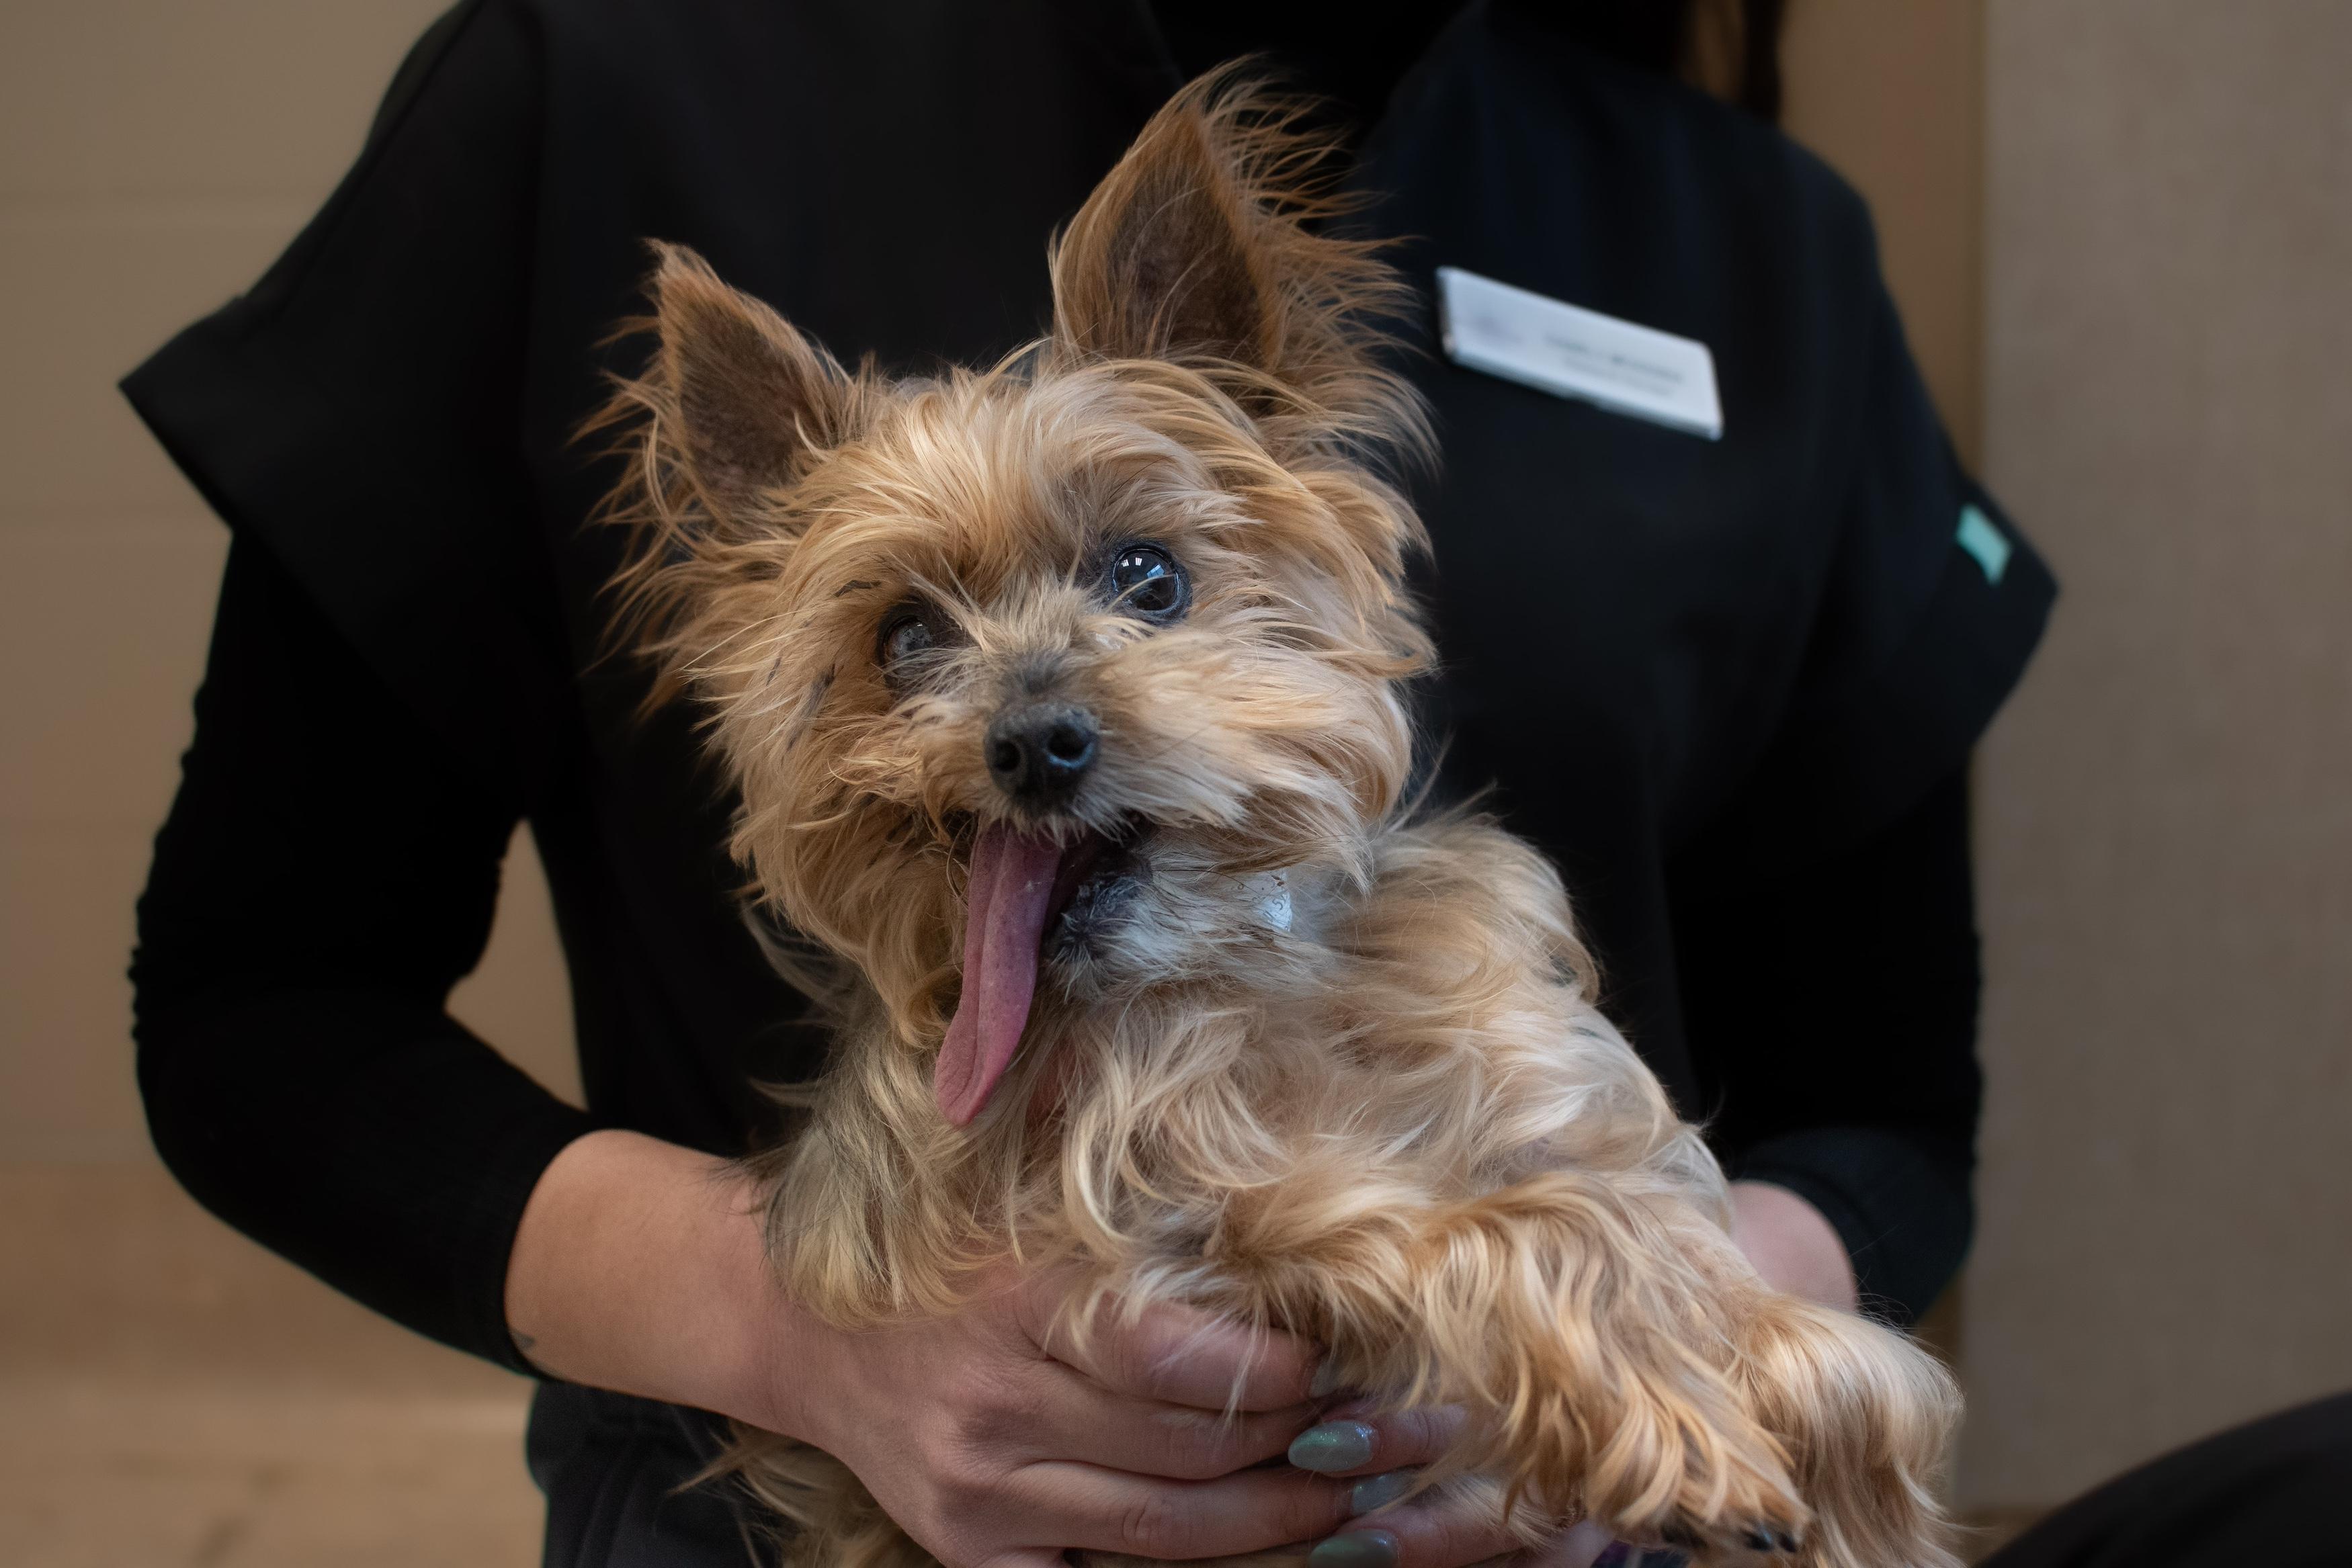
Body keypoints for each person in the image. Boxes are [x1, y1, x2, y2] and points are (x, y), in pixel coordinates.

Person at [122, 3, 2057, 1565]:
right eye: (911, 637)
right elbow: (256, 1012)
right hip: (808, 1501)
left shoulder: (1751, 234)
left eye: (1141, 579)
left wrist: (1627, 1340)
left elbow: (1886, 1118)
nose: (1036, 711)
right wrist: (783, 1327)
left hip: (1598, 1496)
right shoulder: (598, 81)